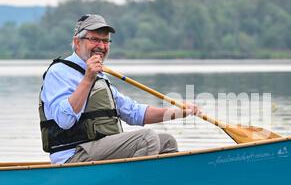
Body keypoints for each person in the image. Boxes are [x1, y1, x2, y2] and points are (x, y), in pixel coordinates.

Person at [39, 14, 200, 164]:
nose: (101, 46)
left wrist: (177, 112)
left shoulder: (101, 76)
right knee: (147, 138)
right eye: (94, 39)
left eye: (105, 41)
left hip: (98, 150)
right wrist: (88, 78)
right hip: (72, 157)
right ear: (77, 42)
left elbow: (134, 112)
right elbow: (64, 121)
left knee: (167, 141)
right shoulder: (59, 72)